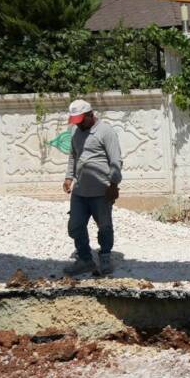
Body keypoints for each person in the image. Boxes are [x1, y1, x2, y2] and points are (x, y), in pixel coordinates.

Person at [62, 99, 122, 276]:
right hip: (80, 191)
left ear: (90, 115)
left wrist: (114, 185)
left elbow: (116, 160)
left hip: (101, 191)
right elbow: (73, 156)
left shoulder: (105, 131)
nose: (78, 125)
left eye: (81, 120)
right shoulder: (75, 131)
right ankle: (85, 259)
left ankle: (104, 257)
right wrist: (68, 177)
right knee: (75, 226)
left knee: (104, 226)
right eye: (75, 121)